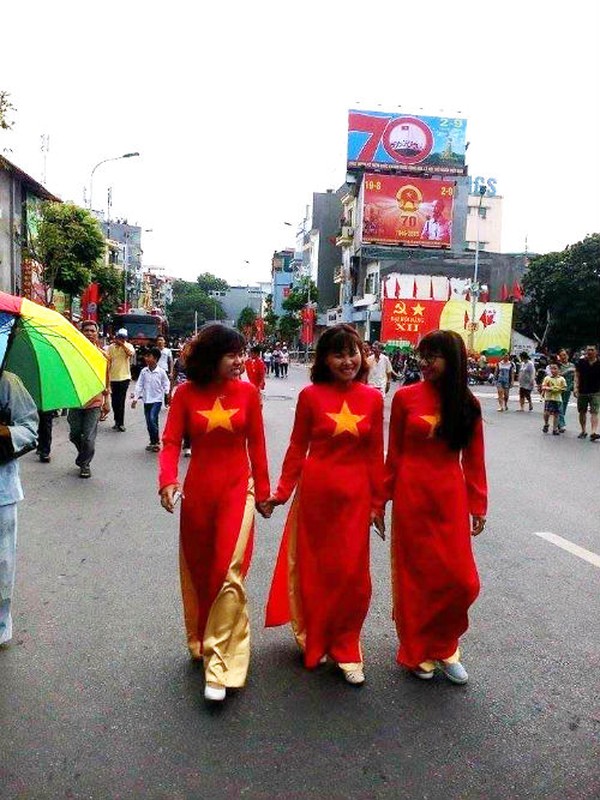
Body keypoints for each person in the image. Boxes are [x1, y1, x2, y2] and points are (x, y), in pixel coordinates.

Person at [264, 324, 385, 687]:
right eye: (338, 354)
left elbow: (374, 455)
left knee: (353, 578)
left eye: (354, 352)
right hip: (315, 497)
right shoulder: (310, 397)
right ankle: (315, 638)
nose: (348, 361)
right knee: (316, 572)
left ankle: (347, 646)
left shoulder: (373, 399)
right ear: (325, 359)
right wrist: (281, 492)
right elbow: (296, 448)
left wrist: (378, 503)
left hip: (355, 499)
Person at [158, 325, 270, 703]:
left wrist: (266, 493)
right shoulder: (186, 394)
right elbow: (172, 441)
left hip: (239, 491)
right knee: (202, 570)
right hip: (200, 494)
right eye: (232, 354)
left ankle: (222, 666)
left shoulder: (249, 394)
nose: (241, 361)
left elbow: (257, 443)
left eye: (242, 352)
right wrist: (168, 480)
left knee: (229, 571)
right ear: (211, 358)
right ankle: (202, 639)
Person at [385, 330, 487, 685]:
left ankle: (445, 645)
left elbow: (475, 461)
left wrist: (479, 504)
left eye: (433, 357)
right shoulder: (405, 398)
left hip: (450, 497)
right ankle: (417, 649)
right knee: (417, 578)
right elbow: (393, 455)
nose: (424, 364)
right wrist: (379, 500)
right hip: (411, 495)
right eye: (422, 357)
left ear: (453, 360)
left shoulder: (468, 404)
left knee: (462, 581)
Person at [0, 370, 38, 646]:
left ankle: (1, 624)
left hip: (2, 488)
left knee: (2, 562)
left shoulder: (8, 382)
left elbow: (29, 428)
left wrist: (5, 431)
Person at [67, 320, 110, 478]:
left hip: (95, 401)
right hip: (76, 400)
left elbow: (106, 381)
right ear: (81, 332)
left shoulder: (103, 356)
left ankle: (85, 464)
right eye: (87, 330)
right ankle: (83, 456)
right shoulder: (73, 353)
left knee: (89, 437)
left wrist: (107, 402)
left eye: (93, 330)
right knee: (74, 435)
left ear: (97, 333)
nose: (90, 333)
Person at [132, 347, 170, 452]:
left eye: (149, 356)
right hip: (146, 399)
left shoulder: (161, 372)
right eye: (146, 356)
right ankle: (153, 441)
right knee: (149, 422)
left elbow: (166, 383)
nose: (146, 358)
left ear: (156, 358)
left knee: (153, 418)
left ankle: (157, 441)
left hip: (157, 400)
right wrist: (135, 398)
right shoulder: (144, 371)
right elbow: (139, 385)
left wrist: (167, 394)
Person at [106, 328, 135, 432]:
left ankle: (121, 423)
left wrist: (122, 345)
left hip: (124, 377)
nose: (121, 339)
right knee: (114, 401)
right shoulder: (110, 347)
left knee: (121, 401)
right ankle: (116, 421)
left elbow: (131, 354)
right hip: (113, 377)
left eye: (123, 337)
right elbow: (107, 360)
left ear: (125, 338)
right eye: (119, 337)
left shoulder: (128, 346)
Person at [574, 344, 600, 441]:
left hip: (596, 392)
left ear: (596, 352)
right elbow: (577, 375)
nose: (589, 352)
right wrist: (576, 387)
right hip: (582, 391)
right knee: (582, 411)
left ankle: (593, 432)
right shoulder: (581, 362)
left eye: (592, 350)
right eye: (588, 350)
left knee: (594, 412)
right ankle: (583, 430)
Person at [541, 363, 567, 436]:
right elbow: (543, 386)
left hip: (557, 398)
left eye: (555, 368)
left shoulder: (561, 379)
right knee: (547, 412)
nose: (553, 370)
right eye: (551, 369)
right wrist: (548, 388)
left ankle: (555, 429)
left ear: (559, 370)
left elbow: (564, 388)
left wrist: (559, 389)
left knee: (556, 414)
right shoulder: (547, 378)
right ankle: (546, 424)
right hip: (549, 398)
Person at [556, 348, 576, 432]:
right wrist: (567, 372)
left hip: (568, 388)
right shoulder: (558, 365)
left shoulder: (572, 365)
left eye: (564, 355)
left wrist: (575, 387)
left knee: (563, 406)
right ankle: (562, 424)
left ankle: (558, 423)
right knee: (559, 406)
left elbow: (575, 376)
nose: (563, 357)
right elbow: (556, 375)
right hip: (558, 389)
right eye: (561, 355)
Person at [156, 335, 173, 407]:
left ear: (164, 342)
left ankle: (166, 402)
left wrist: (171, 372)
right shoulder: (154, 350)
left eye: (161, 340)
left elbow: (171, 361)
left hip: (165, 370)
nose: (160, 341)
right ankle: (157, 402)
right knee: (156, 387)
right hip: (156, 370)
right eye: (158, 340)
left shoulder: (168, 351)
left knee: (166, 387)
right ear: (156, 342)